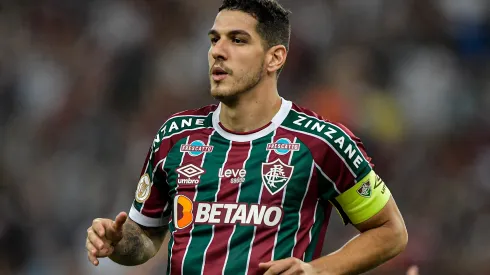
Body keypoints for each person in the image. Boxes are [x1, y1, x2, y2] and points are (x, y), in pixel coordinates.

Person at [85, 0, 408, 274]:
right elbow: (146, 237)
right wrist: (117, 243)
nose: (218, 52)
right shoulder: (176, 135)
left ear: (275, 58)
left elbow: (390, 231)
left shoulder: (321, 141)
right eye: (214, 39)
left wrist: (318, 270)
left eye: (237, 40)